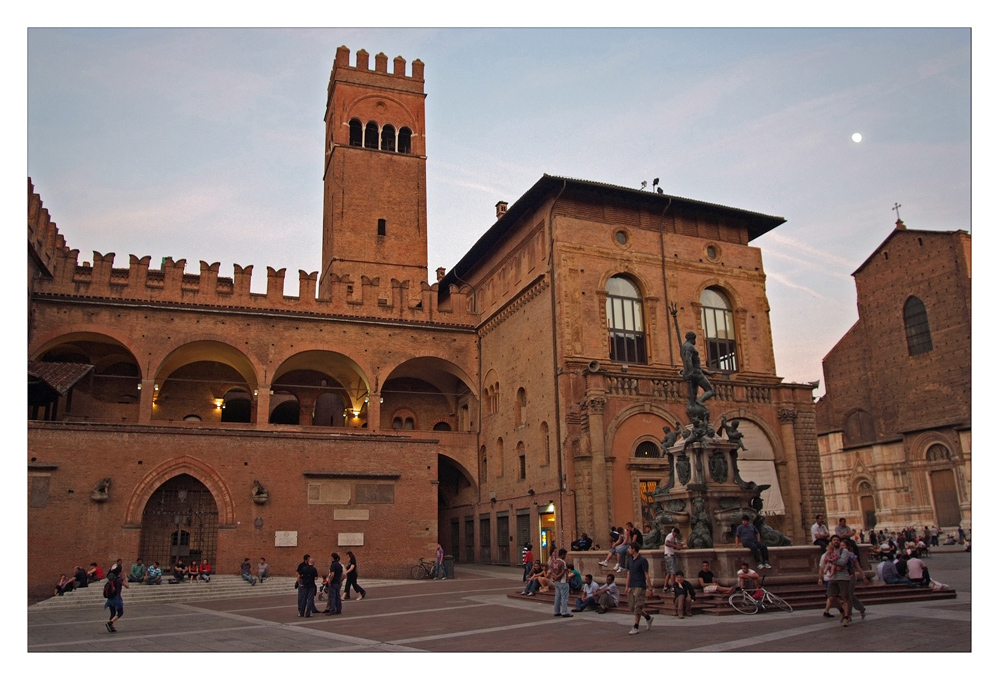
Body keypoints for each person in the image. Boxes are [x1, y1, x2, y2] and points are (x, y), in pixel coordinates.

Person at [824, 536, 854, 626]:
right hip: (833, 578)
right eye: (834, 540)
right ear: (832, 542)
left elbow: (843, 562)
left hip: (843, 577)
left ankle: (846, 617)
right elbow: (825, 562)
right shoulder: (830, 551)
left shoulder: (844, 551)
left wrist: (831, 561)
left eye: (837, 540)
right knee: (831, 597)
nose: (836, 541)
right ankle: (841, 611)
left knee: (845, 597)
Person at [624, 542, 654, 635]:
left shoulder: (642, 560)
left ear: (634, 549)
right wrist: (626, 585)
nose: (628, 550)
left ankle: (636, 626)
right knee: (632, 607)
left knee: (638, 606)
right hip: (632, 585)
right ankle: (648, 617)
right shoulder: (629, 560)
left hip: (640, 585)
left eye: (629, 548)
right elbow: (628, 573)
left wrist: (650, 588)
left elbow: (647, 575)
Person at [681, 331, 715, 406]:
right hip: (696, 373)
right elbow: (688, 360)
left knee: (693, 397)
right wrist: (691, 372)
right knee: (710, 391)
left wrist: (708, 373)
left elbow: (694, 365)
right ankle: (700, 402)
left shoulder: (685, 346)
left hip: (694, 372)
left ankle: (694, 408)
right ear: (693, 339)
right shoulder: (689, 346)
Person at [102, 566, 128, 633]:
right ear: (119, 572)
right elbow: (127, 586)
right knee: (120, 612)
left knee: (112, 613)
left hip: (110, 599)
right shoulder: (119, 580)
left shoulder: (112, 579)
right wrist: (125, 578)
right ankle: (110, 623)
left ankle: (111, 627)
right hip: (117, 598)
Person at [550, 548, 572, 618]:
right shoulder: (563, 562)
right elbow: (563, 572)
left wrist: (555, 576)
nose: (565, 556)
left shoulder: (555, 561)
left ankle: (556, 611)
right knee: (564, 597)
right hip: (563, 581)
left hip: (557, 582)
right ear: (562, 554)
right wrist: (558, 576)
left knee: (557, 597)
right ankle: (564, 612)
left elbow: (552, 571)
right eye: (565, 555)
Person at [662, 527, 684, 592]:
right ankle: (673, 587)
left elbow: (674, 544)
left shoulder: (673, 538)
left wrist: (679, 546)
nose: (676, 536)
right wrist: (676, 546)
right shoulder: (670, 536)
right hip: (669, 555)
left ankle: (665, 587)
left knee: (668, 572)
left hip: (667, 555)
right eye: (675, 534)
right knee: (673, 572)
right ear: (674, 532)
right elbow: (667, 543)